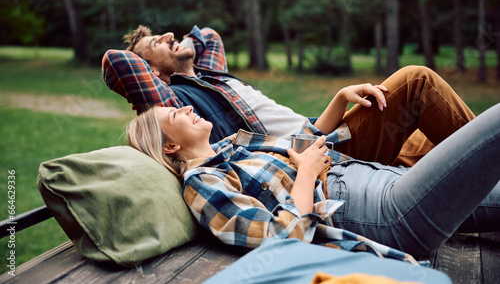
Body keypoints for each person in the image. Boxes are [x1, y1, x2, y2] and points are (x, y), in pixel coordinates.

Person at [125, 103, 500, 262]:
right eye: (177, 112)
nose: (188, 108)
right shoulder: (202, 182)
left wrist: (339, 102)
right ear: (171, 145)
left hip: (378, 178)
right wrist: (306, 172)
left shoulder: (230, 147)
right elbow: (280, 240)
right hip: (379, 212)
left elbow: (303, 145)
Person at [103, 25, 475, 167]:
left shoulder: (209, 77)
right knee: (416, 84)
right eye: (158, 42)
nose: (170, 36)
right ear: (149, 71)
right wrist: (151, 56)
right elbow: (117, 64)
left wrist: (174, 51)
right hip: (325, 154)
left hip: (323, 133)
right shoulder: (173, 102)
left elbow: (209, 36)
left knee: (432, 139)